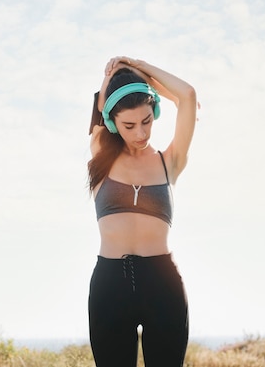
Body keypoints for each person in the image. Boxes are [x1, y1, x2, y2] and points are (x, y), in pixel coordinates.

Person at [87, 56, 197, 367]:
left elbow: (187, 95)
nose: (140, 133)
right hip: (110, 284)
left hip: (162, 283)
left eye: (147, 121)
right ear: (112, 122)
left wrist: (141, 66)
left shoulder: (169, 161)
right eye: (129, 125)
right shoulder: (101, 156)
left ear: (155, 113)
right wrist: (112, 74)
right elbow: (100, 103)